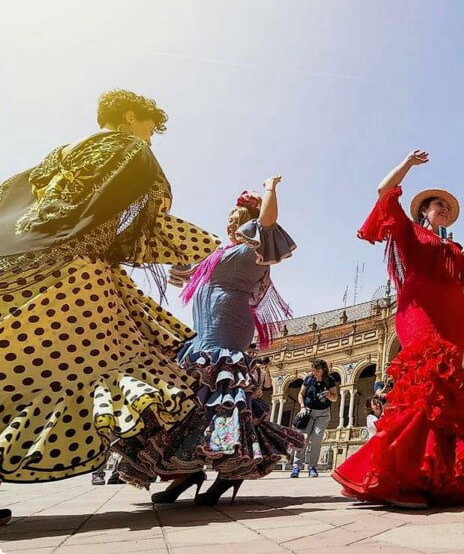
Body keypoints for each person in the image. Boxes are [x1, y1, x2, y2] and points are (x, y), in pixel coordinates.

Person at [0, 89, 219, 526]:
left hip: (18, 265)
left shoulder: (56, 156)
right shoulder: (129, 150)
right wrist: (203, 252)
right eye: (149, 129)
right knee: (106, 366)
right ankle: (180, 460)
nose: (151, 140)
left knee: (17, 369)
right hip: (75, 276)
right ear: (130, 117)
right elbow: (146, 220)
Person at [333, 150, 464, 508]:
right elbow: (383, 192)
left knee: (443, 397)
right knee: (424, 385)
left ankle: (429, 474)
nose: (444, 211)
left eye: (448, 209)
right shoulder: (410, 232)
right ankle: (400, 476)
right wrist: (406, 163)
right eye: (438, 206)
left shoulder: (452, 248)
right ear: (424, 211)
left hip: (454, 322)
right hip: (419, 314)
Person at [115, 178, 306, 505]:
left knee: (223, 400)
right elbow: (183, 273)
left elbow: (269, 222)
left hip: (227, 328)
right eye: (231, 222)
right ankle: (187, 472)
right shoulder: (219, 253)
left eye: (240, 222)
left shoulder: (253, 250)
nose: (232, 227)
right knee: (191, 401)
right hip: (202, 332)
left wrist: (271, 188)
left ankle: (228, 472)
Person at [291, 359, 338, 478]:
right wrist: (302, 407)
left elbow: (335, 398)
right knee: (303, 438)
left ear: (323, 370)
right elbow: (301, 394)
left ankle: (312, 467)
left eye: (317, 370)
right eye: (313, 370)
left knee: (317, 439)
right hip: (308, 412)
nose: (314, 372)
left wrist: (328, 395)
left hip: (323, 414)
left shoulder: (329, 380)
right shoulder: (308, 379)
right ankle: (296, 466)